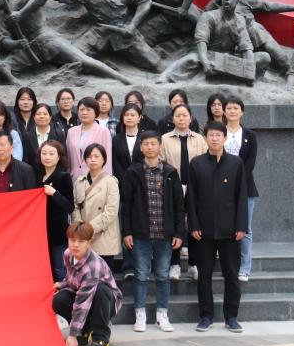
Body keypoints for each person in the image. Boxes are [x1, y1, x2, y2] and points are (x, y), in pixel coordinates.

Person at [120, 130, 185, 333]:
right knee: (140, 275)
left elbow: (179, 206)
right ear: (141, 147)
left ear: (160, 146)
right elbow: (126, 205)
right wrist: (127, 232)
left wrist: (179, 233)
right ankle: (140, 314)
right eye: (146, 144)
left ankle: (162, 314)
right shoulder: (133, 172)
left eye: (153, 144)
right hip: (141, 234)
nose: (149, 147)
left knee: (163, 275)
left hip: (165, 234)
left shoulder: (170, 173)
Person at [187, 122, 248, 333]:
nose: (214, 138)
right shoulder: (196, 163)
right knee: (204, 277)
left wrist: (241, 226)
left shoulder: (236, 163)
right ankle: (206, 316)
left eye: (218, 135)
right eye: (211, 135)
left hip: (230, 230)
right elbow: (191, 198)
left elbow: (242, 197)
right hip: (203, 231)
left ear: (224, 138)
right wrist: (193, 225)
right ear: (205, 138)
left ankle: (231, 317)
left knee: (231, 276)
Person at [52, 221, 123, 346]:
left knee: (99, 289)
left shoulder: (92, 266)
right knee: (59, 299)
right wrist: (62, 284)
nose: (75, 245)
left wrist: (72, 334)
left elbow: (82, 303)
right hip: (84, 294)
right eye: (72, 240)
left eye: (81, 241)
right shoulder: (68, 254)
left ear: (89, 242)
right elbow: (72, 277)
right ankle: (84, 331)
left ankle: (100, 337)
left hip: (107, 301)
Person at [160, 103, 207, 282]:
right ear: (172, 119)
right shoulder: (165, 139)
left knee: (194, 224)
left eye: (184, 115)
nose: (181, 118)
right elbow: (161, 162)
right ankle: (175, 264)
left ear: (191, 118)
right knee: (175, 224)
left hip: (195, 187)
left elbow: (206, 161)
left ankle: (194, 264)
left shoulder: (199, 139)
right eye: (178, 115)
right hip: (173, 187)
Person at [223, 96, 259, 282]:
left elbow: (250, 162)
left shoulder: (250, 135)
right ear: (224, 111)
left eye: (236, 108)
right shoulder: (218, 132)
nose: (232, 111)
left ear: (242, 111)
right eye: (229, 108)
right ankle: (229, 265)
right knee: (225, 228)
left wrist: (235, 181)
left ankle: (245, 268)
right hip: (220, 188)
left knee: (245, 229)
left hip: (245, 187)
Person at [72, 143, 121, 275]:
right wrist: (81, 229)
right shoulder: (79, 182)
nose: (92, 159)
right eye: (89, 157)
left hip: (102, 235)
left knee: (103, 277)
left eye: (96, 156)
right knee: (85, 277)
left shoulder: (111, 182)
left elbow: (111, 211)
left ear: (104, 159)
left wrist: (90, 229)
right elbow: (75, 207)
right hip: (84, 237)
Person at [39, 140, 74, 281]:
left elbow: (69, 206)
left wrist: (54, 193)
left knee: (60, 270)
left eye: (51, 154)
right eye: (44, 153)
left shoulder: (64, 177)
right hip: (40, 232)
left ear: (59, 157)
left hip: (58, 232)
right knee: (44, 269)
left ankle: (64, 295)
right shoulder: (36, 176)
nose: (47, 157)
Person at [66, 97, 112, 179]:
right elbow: (69, 157)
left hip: (96, 178)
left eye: (88, 110)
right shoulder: (71, 132)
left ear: (96, 113)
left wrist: (106, 179)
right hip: (74, 178)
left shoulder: (103, 131)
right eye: (81, 110)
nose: (84, 112)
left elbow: (107, 159)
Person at [25, 102, 65, 173]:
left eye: (45, 114)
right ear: (34, 117)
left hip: (54, 174)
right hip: (33, 175)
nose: (42, 116)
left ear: (50, 117)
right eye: (38, 114)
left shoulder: (58, 134)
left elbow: (63, 157)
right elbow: (26, 159)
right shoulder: (27, 136)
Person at [112, 103, 147, 182]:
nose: (129, 117)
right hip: (122, 181)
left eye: (132, 115)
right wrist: (124, 178)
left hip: (143, 179)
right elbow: (115, 162)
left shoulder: (145, 138)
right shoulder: (116, 139)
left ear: (139, 118)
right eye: (126, 115)